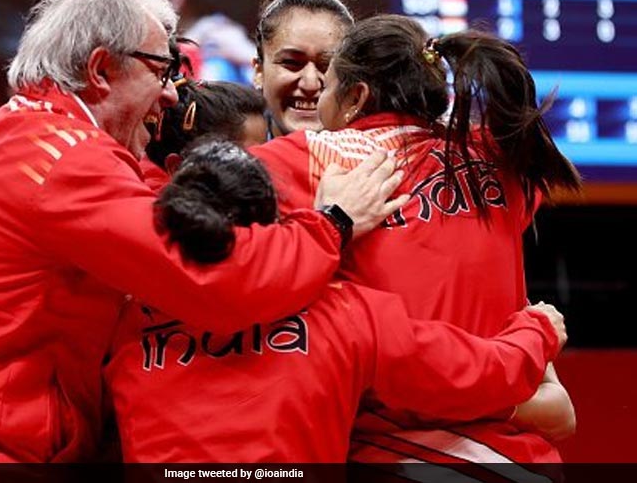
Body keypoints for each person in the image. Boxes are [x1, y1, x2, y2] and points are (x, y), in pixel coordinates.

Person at [0, 0, 410, 463]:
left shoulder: (6, 131)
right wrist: (331, 222)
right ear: (100, 70)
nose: (172, 93)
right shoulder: (66, 160)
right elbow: (213, 278)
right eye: (161, 70)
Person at [104, 139, 567, 462]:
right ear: (273, 223)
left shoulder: (121, 315)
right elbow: (476, 373)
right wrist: (538, 330)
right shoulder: (347, 313)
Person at [251, 14, 582, 463]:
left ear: (355, 97)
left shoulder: (308, 157)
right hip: (524, 460)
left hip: (399, 456)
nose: (316, 97)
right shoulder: (503, 156)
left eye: (327, 85)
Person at [252, 0, 355, 139]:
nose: (310, 84)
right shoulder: (221, 161)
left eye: (328, 65)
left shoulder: (386, 160)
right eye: (292, 63)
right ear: (259, 72)